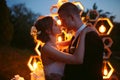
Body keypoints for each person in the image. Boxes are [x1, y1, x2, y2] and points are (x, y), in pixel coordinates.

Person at [42, 2, 104, 80]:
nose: (61, 24)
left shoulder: (91, 36)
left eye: (62, 20)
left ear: (71, 18)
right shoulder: (75, 37)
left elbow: (91, 72)